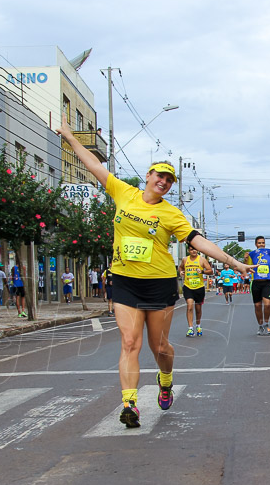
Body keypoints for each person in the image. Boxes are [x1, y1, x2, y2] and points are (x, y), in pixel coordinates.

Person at [58, 121, 252, 429]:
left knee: (159, 347)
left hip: (159, 284)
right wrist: (69, 137)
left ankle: (165, 381)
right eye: (159, 175)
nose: (163, 182)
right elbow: (93, 164)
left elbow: (198, 241)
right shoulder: (124, 193)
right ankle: (130, 404)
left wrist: (232, 261)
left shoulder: (171, 214)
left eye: (169, 180)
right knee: (129, 341)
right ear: (148, 176)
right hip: (124, 280)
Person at [246, 236, 270, 335]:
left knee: (267, 304)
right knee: (257, 306)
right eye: (259, 243)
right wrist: (245, 259)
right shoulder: (252, 254)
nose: (261, 244)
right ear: (256, 244)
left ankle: (266, 323)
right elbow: (247, 267)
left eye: (263, 243)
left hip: (266, 283)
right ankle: (260, 325)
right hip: (256, 282)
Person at [179, 247, 212, 336]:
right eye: (191, 249)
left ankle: (198, 326)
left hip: (199, 287)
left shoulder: (202, 260)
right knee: (189, 306)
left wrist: (202, 271)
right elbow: (181, 268)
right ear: (188, 251)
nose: (193, 251)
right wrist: (181, 272)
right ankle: (190, 328)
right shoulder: (185, 259)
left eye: (195, 249)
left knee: (198, 309)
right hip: (188, 286)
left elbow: (210, 271)